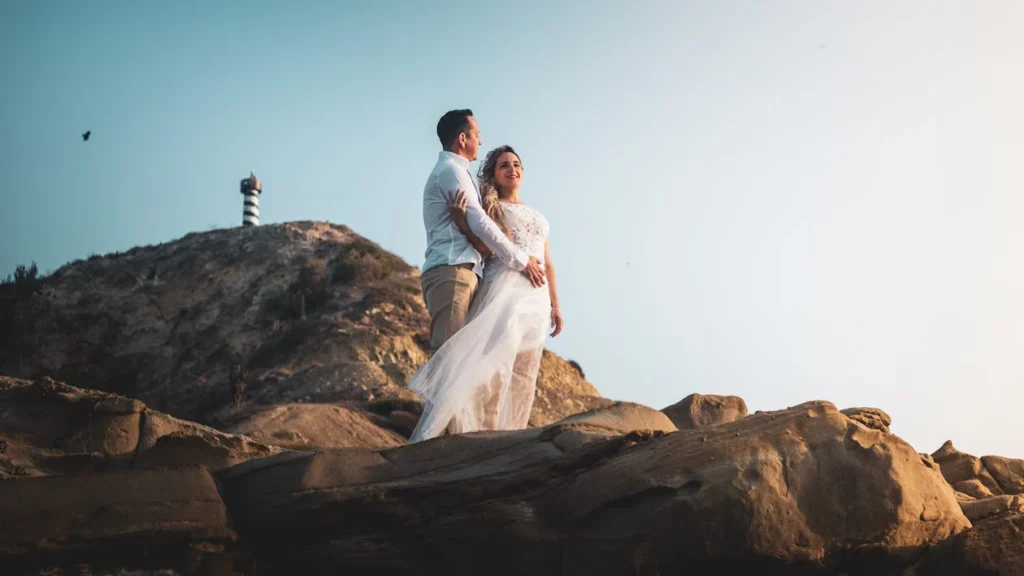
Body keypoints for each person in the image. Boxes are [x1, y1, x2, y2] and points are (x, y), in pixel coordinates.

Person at [409, 143, 563, 442]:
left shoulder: (538, 214)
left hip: (538, 297)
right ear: (493, 174)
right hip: (505, 286)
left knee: (525, 372)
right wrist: (461, 224)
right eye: (504, 165)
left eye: (516, 164)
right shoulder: (491, 206)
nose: (512, 169)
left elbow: (549, 263)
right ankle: (487, 435)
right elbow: (488, 248)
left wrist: (556, 306)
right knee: (497, 363)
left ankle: (513, 435)